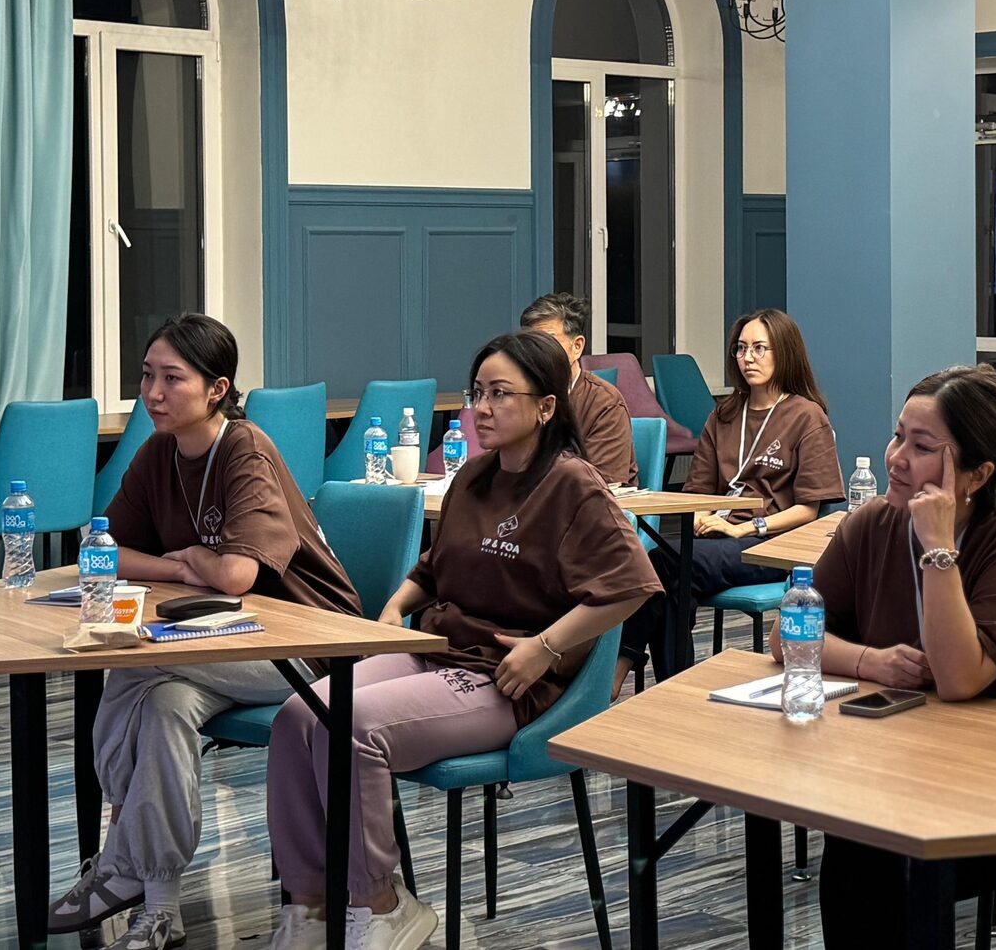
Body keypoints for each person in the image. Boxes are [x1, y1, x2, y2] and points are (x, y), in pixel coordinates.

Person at [263, 330, 660, 950]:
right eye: (478, 393)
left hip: (509, 677)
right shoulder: (473, 476)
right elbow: (432, 568)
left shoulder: (573, 484)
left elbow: (632, 587)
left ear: (546, 406)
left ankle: (382, 904)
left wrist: (545, 648)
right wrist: (395, 607)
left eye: (501, 394)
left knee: (352, 726)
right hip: (438, 650)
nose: (482, 408)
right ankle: (311, 905)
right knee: (297, 715)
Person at [47, 314, 362, 950]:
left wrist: (203, 562)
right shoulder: (158, 451)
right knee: (164, 703)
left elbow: (238, 574)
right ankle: (160, 905)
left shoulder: (244, 448)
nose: (153, 394)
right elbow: (100, 551)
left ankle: (119, 860)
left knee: (135, 660)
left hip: (304, 645)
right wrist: (180, 565)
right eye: (147, 376)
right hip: (218, 646)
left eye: (172, 379)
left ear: (217, 389)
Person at [785, 364, 996, 949]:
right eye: (897, 436)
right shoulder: (871, 523)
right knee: (856, 840)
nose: (897, 458)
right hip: (935, 763)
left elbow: (957, 679)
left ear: (978, 474)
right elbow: (792, 635)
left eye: (923, 447)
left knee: (892, 857)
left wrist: (938, 546)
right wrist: (869, 662)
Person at [613, 307, 844, 695]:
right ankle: (674, 687)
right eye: (740, 348)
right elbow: (698, 492)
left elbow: (808, 510)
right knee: (667, 574)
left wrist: (743, 527)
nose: (747, 358)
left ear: (784, 352)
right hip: (715, 540)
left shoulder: (807, 416)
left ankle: (627, 673)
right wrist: (701, 516)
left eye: (759, 348)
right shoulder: (724, 415)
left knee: (667, 566)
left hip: (768, 543)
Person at [519, 291, 637, 485]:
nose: (536, 353)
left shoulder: (605, 403)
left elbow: (598, 483)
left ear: (577, 346)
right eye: (530, 344)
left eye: (548, 342)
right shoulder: (520, 395)